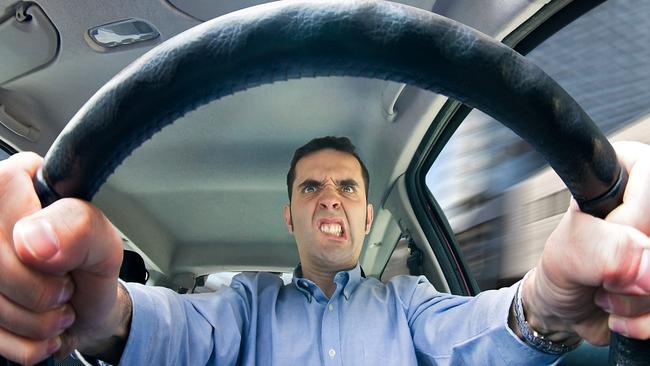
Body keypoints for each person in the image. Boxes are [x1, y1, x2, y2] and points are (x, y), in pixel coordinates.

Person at [0, 136, 648, 365]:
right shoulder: (246, 305)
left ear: (368, 216)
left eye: (347, 187)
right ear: (292, 216)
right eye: (312, 187)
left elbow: (478, 333)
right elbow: (178, 327)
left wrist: (546, 303)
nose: (330, 198)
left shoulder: (411, 304)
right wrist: (105, 316)